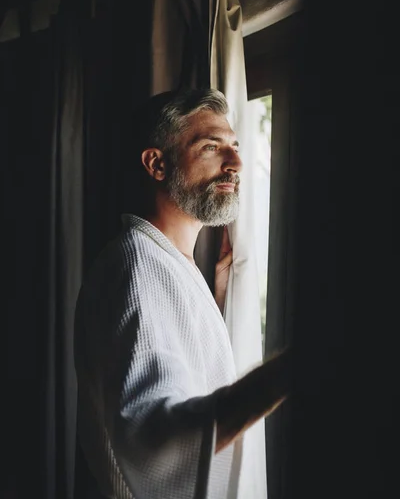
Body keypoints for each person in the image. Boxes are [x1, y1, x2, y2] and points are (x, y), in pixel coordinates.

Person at [74, 88, 291, 499]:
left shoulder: (171, 266)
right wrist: (292, 368)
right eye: (211, 147)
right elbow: (157, 438)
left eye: (234, 147)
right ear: (157, 164)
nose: (236, 163)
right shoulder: (135, 268)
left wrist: (220, 305)